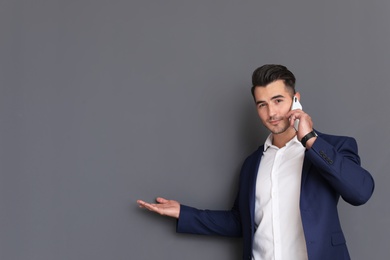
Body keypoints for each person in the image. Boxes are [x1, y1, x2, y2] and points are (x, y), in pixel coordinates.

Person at [137, 64, 375, 260]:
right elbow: (240, 222)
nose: (271, 113)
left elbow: (360, 192)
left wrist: (311, 140)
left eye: (278, 100)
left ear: (296, 99)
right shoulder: (253, 163)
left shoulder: (334, 147)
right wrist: (183, 213)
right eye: (262, 104)